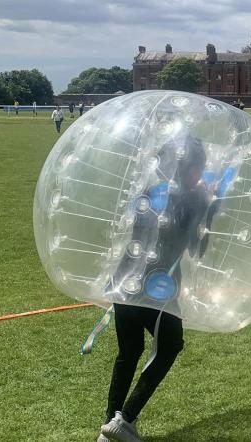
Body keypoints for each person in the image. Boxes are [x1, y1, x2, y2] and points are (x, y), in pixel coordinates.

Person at [99, 136, 210, 442]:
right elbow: (196, 249)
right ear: (188, 168)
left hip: (126, 280)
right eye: (199, 167)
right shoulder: (195, 199)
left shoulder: (151, 191)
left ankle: (109, 428)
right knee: (170, 345)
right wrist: (209, 208)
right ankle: (125, 418)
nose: (201, 173)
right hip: (158, 288)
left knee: (129, 351)